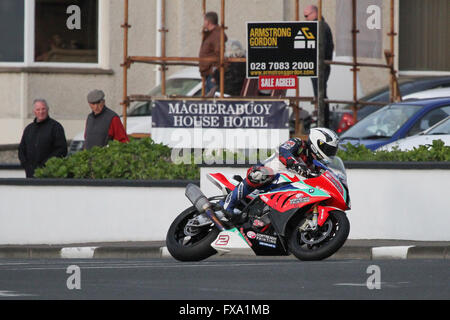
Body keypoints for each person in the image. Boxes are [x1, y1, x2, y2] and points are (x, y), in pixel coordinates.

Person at [221, 128, 339, 222]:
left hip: (284, 186)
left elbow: (323, 177)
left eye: (332, 150)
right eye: (328, 149)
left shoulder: (315, 164)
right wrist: (294, 163)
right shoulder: (298, 143)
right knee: (261, 174)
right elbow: (283, 151)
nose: (330, 153)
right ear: (317, 142)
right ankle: (228, 205)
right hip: (269, 172)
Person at [18, 99, 68, 178]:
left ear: (48, 110)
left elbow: (62, 149)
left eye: (43, 109)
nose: (41, 112)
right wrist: (25, 164)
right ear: (34, 112)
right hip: (30, 173)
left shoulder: (56, 127)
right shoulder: (29, 129)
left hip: (49, 173)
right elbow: (21, 149)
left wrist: (46, 164)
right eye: (38, 109)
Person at [304, 4, 334, 127]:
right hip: (318, 65)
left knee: (320, 94)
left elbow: (324, 48)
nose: (305, 19)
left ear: (314, 13)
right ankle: (322, 122)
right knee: (319, 95)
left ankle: (323, 123)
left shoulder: (320, 27)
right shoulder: (320, 26)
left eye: (306, 16)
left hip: (319, 66)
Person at [199, 11, 227, 96]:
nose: (203, 23)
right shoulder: (211, 34)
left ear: (208, 22)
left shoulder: (216, 34)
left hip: (212, 73)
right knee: (208, 101)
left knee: (212, 101)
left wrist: (215, 73)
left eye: (204, 20)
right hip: (208, 72)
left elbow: (219, 54)